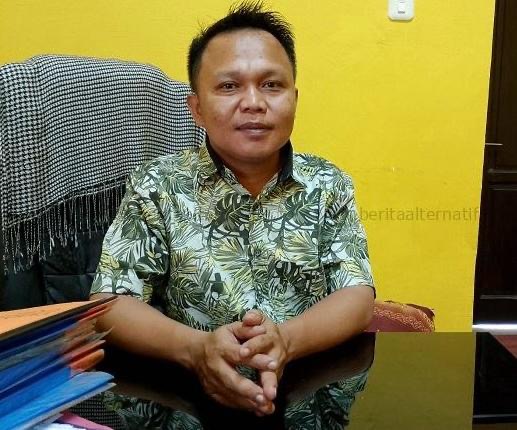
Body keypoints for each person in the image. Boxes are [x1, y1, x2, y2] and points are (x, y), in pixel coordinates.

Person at [90, 1, 374, 417]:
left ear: (294, 98)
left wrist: (286, 341)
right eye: (229, 86)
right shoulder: (157, 185)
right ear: (196, 109)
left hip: (306, 396)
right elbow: (111, 302)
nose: (253, 102)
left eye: (271, 85)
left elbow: (357, 295)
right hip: (185, 402)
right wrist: (196, 349)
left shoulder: (329, 184)